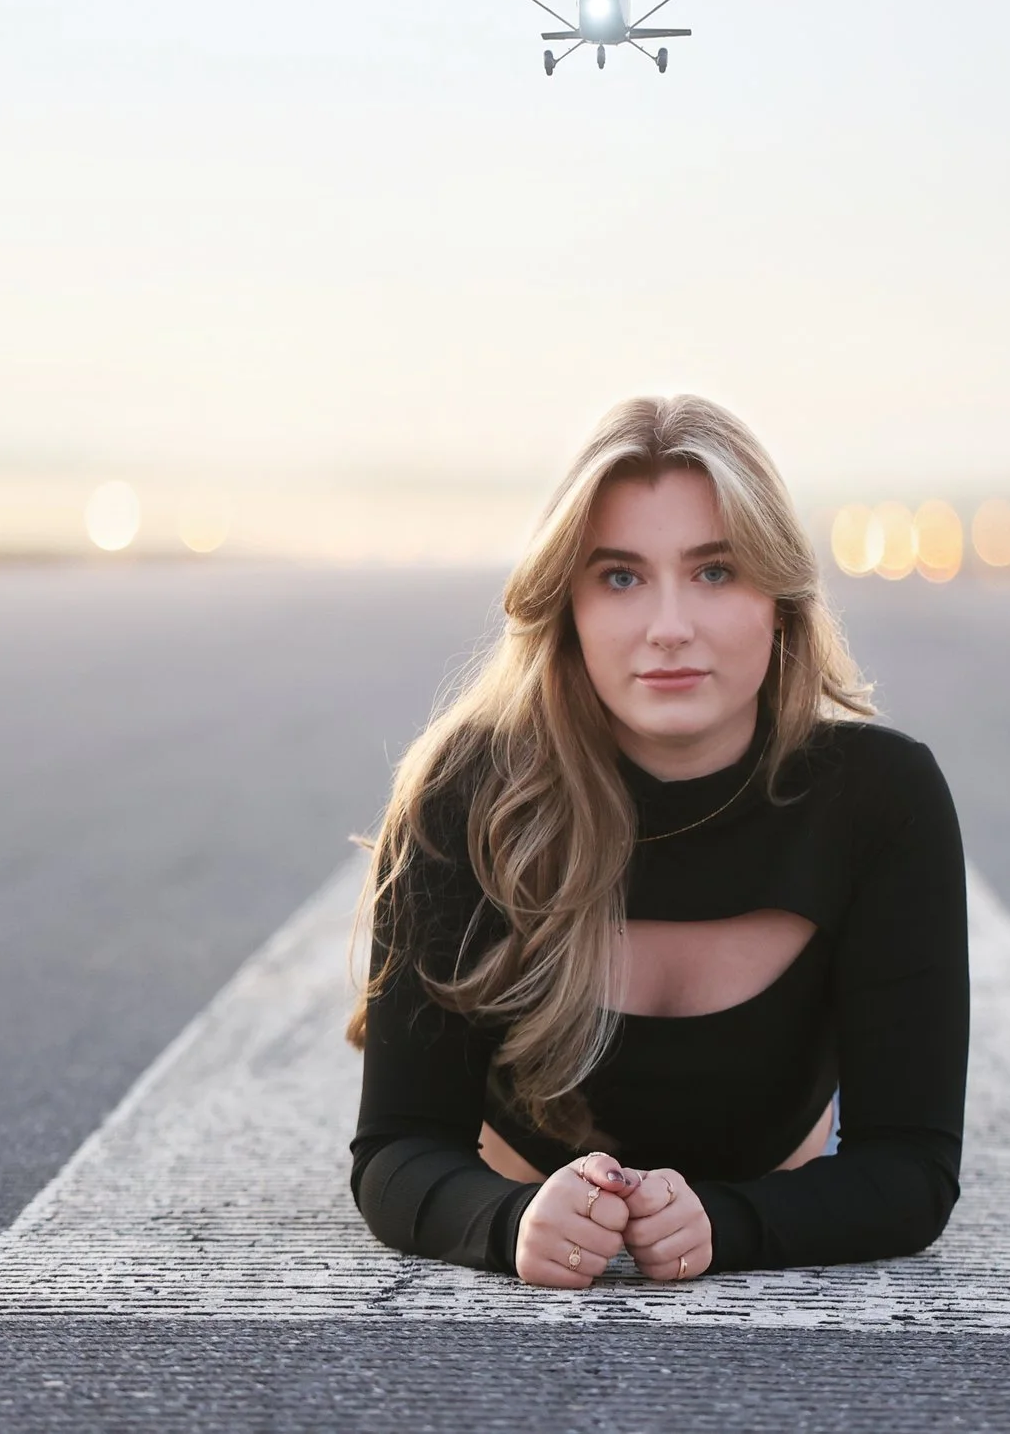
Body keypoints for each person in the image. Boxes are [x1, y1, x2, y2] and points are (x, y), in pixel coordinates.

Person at [345, 394, 970, 1287]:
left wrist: (728, 1222)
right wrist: (509, 1219)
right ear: (569, 607)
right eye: (621, 576)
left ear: (780, 600)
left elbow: (909, 1170)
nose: (668, 625)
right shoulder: (465, 792)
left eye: (715, 571)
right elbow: (397, 1150)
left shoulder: (882, 798)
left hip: (778, 1190)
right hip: (522, 1205)